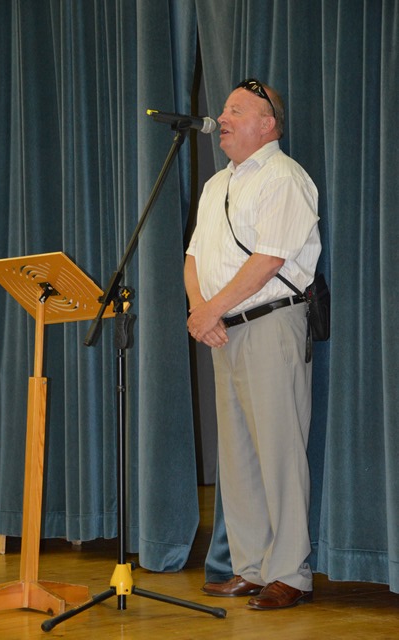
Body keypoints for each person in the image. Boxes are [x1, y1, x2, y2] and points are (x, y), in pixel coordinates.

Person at [184, 78, 321, 610]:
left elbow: (269, 260)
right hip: (223, 329)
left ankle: (290, 573)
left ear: (268, 124)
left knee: (279, 452)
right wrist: (202, 311)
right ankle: (251, 567)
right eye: (223, 110)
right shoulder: (217, 185)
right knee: (238, 455)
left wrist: (210, 310)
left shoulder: (285, 178)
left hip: (270, 325)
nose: (222, 118)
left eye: (236, 111)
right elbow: (194, 256)